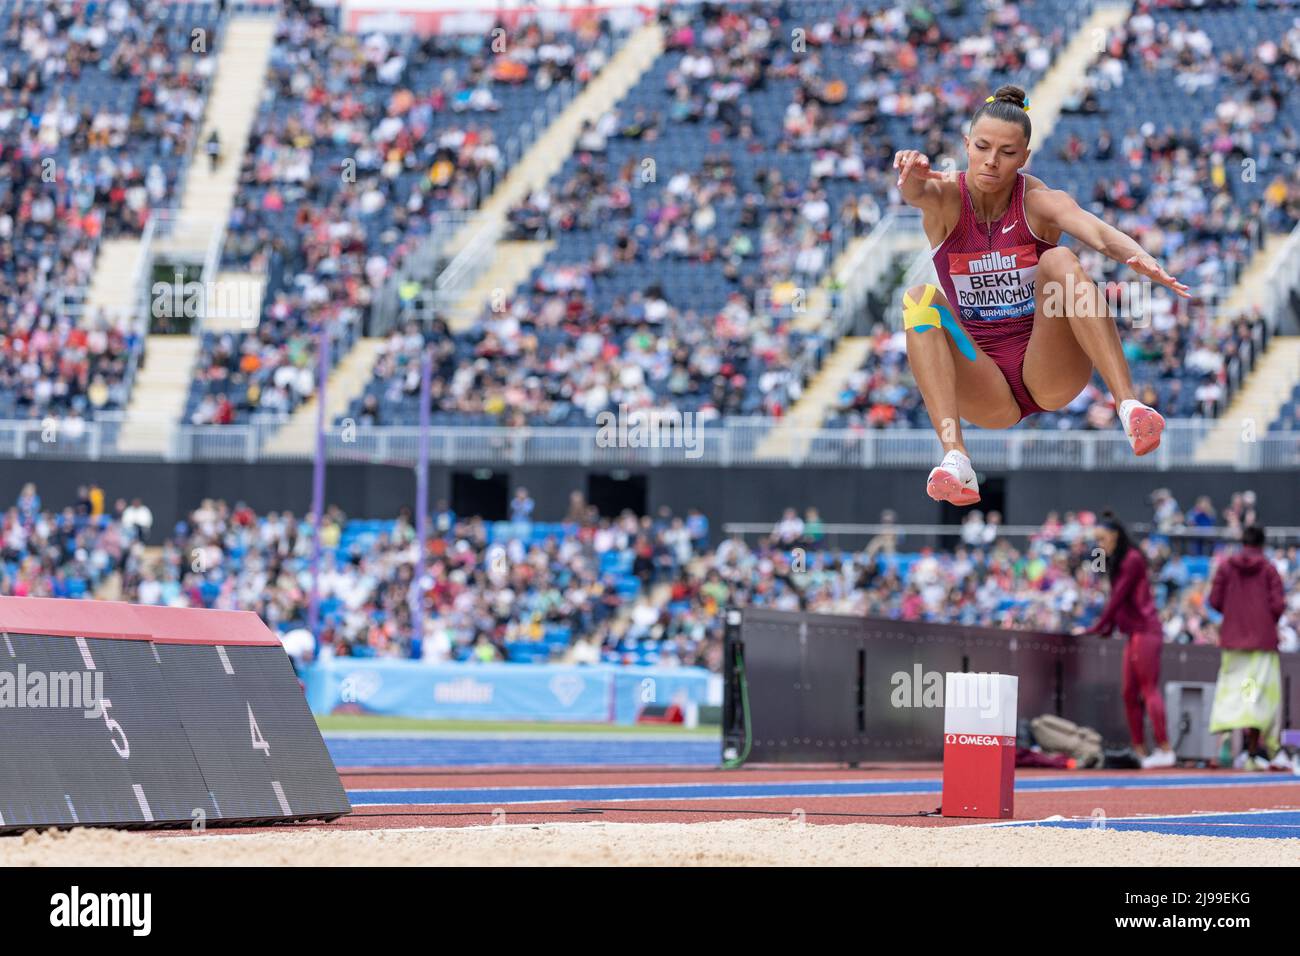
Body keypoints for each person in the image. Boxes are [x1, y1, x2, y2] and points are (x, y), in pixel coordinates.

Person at [894, 85, 1189, 505]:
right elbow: (916, 193)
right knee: (918, 297)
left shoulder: (1038, 202)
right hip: (984, 382)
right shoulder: (945, 199)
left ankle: (1130, 408)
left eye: (1008, 153)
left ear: (1025, 157)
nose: (992, 161)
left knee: (1060, 260)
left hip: (1048, 367)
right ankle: (956, 459)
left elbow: (1097, 232)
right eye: (982, 147)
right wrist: (909, 171)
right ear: (966, 145)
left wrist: (1140, 257)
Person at [1072, 510, 1175, 769]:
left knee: (1147, 688)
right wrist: (1106, 627)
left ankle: (1164, 748)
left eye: (1102, 538)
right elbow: (1115, 596)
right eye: (1097, 539)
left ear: (1115, 536)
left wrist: (1098, 626)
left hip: (1146, 630)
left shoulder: (1131, 560)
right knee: (1129, 692)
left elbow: (1118, 598)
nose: (1099, 544)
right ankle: (1140, 750)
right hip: (1134, 632)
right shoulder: (1118, 559)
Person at [1208, 525, 1288, 770]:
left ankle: (1226, 742)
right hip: (1261, 645)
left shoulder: (1226, 567)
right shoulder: (1269, 570)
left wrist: (1234, 615)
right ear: (1263, 544)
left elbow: (1214, 601)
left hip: (1233, 642)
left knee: (1232, 693)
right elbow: (1278, 606)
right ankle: (1252, 753)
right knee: (1255, 698)